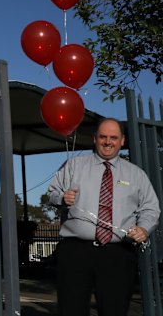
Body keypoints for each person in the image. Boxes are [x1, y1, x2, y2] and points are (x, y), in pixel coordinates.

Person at [47, 117, 160, 316]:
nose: (108, 142)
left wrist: (144, 228)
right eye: (103, 137)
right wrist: (62, 197)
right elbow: (51, 193)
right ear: (95, 138)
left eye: (113, 137)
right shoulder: (74, 166)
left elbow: (150, 209)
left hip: (118, 254)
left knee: (114, 311)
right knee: (70, 310)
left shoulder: (137, 175)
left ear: (122, 141)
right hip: (75, 252)